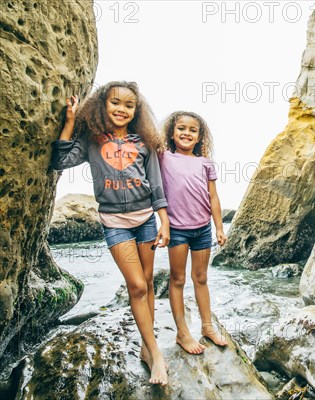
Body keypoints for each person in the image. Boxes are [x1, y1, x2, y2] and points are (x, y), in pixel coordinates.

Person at [51, 81, 169, 385]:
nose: (122, 109)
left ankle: (146, 346)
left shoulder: (144, 141)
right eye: (115, 103)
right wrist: (70, 122)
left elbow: (156, 185)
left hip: (146, 220)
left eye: (129, 105)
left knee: (149, 285)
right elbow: (60, 160)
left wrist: (164, 221)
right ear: (103, 105)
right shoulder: (93, 139)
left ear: (136, 111)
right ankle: (156, 354)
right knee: (137, 286)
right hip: (114, 222)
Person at [158, 111, 228, 354]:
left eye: (192, 130)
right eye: (181, 128)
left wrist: (219, 227)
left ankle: (207, 327)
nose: (186, 133)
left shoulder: (205, 163)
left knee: (201, 278)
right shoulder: (163, 158)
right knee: (177, 280)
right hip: (177, 230)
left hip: (202, 229)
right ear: (171, 132)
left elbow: (213, 197)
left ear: (199, 137)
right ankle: (182, 332)